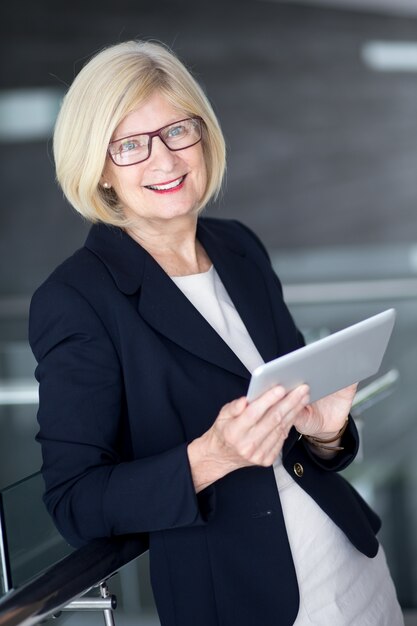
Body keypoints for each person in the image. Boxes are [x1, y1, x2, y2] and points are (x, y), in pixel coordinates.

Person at [29, 40, 403, 626]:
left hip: (352, 568)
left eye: (178, 130)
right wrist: (209, 457)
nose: (165, 160)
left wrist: (327, 434)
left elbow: (300, 428)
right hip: (249, 604)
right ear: (98, 166)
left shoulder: (238, 247)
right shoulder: (77, 299)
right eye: (130, 145)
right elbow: (74, 502)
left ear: (203, 136)